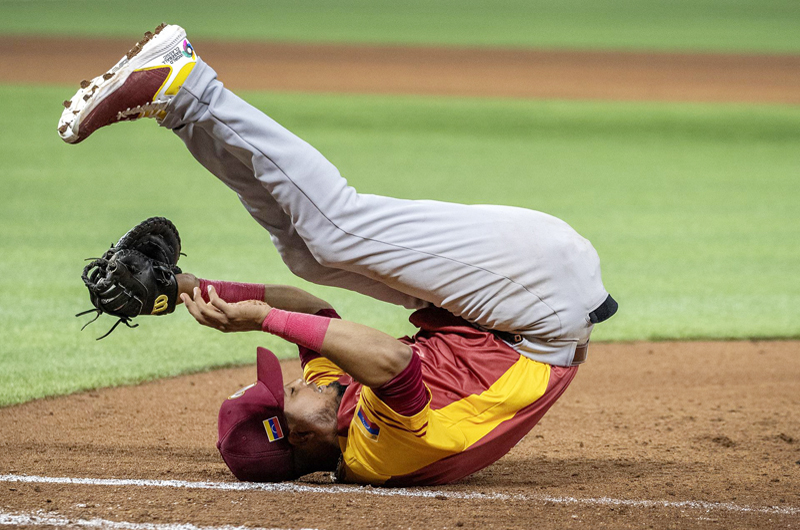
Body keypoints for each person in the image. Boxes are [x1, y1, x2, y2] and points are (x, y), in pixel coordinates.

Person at [58, 24, 617, 486]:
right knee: (336, 232)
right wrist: (264, 319)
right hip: (539, 299)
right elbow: (391, 360)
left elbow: (315, 312)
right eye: (287, 393)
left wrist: (188, 289)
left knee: (309, 258)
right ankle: (189, 86)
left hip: (503, 309)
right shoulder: (378, 456)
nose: (297, 382)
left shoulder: (332, 408)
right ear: (293, 435)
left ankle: (178, 110)